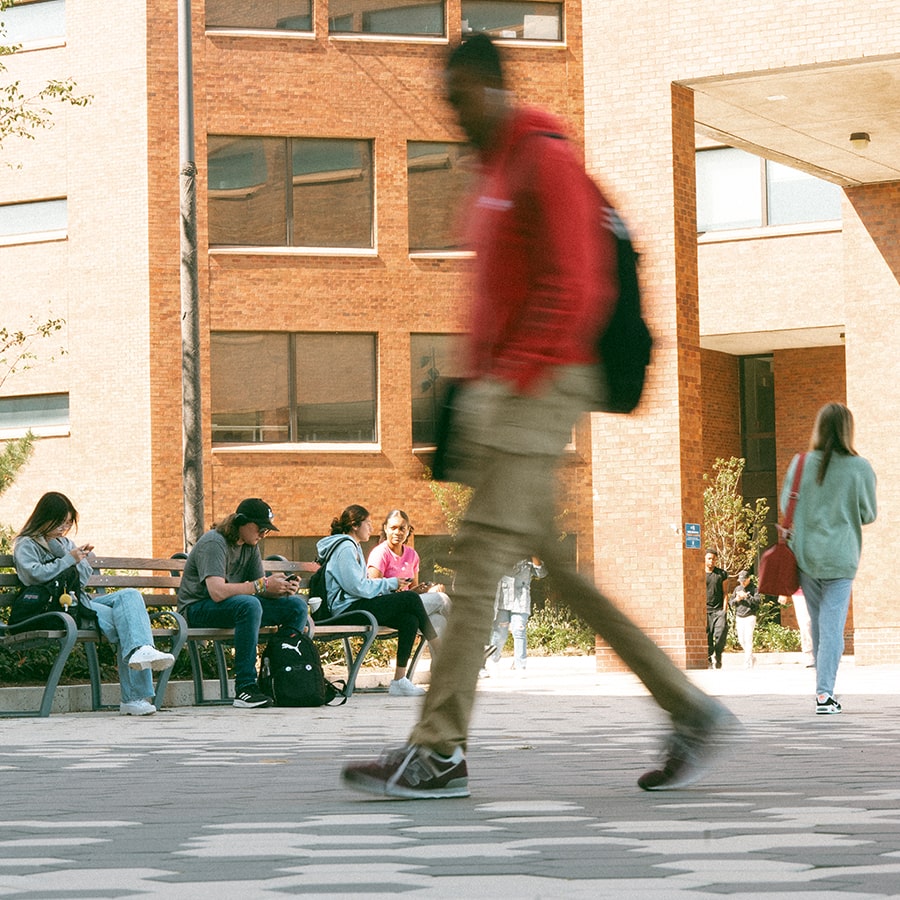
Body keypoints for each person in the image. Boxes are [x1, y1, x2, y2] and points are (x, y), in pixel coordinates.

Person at [340, 34, 734, 800]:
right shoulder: (491, 171)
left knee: (480, 558)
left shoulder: (542, 158)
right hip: (505, 392)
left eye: (459, 98)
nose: (451, 114)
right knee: (554, 567)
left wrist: (511, 383)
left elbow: (577, 288)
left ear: (490, 88)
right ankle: (688, 709)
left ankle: (440, 749)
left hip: (542, 384)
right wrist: (466, 392)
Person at [12, 491, 175, 716]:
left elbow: (81, 581)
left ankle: (143, 650)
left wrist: (80, 560)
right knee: (126, 623)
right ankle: (134, 697)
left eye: (68, 524)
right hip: (55, 608)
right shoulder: (26, 544)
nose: (63, 529)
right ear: (45, 518)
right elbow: (33, 576)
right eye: (60, 523)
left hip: (80, 601)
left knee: (130, 596)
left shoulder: (65, 542)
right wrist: (68, 558)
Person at [780, 402, 876, 715]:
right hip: (841, 558)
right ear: (848, 429)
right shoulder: (859, 467)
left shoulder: (800, 463)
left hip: (806, 557)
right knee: (832, 626)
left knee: (820, 627)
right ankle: (824, 694)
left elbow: (786, 505)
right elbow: (868, 513)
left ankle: (824, 688)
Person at [177, 498, 309, 709]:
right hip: (197, 609)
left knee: (296, 606)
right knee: (249, 604)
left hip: (237, 607)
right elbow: (217, 592)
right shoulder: (214, 543)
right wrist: (261, 585)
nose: (263, 534)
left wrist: (282, 589)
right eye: (260, 528)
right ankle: (245, 688)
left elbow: (261, 590)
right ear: (241, 522)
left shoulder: (250, 547)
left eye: (267, 531)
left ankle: (283, 678)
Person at [319, 504, 440, 697]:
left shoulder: (354, 547)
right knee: (409, 598)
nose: (371, 527)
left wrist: (389, 586)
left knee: (409, 619)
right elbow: (356, 587)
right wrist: (391, 583)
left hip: (355, 605)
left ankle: (399, 681)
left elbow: (359, 586)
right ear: (355, 525)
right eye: (368, 523)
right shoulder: (345, 548)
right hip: (346, 610)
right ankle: (441, 649)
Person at [366, 509, 452, 639]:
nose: (398, 532)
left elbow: (413, 591)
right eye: (393, 528)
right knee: (443, 599)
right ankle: (466, 645)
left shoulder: (412, 555)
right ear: (385, 528)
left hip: (410, 605)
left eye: (402, 528)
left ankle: (444, 659)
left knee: (438, 619)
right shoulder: (380, 553)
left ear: (408, 530)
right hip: (388, 608)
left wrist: (428, 590)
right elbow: (372, 590)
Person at [486, 557, 547, 672]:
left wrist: (535, 557)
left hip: (521, 599)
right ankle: (493, 659)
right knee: (500, 633)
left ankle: (520, 664)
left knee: (519, 631)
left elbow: (542, 573)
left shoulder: (528, 558)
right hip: (502, 599)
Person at [729, 570, 760, 668]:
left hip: (750, 616)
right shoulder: (737, 588)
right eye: (741, 580)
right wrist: (737, 599)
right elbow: (731, 603)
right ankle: (751, 657)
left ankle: (747, 663)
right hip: (739, 616)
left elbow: (757, 602)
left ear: (748, 579)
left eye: (744, 580)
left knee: (748, 639)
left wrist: (747, 596)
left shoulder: (754, 589)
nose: (742, 582)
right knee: (741, 640)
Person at [705, 549, 729, 669]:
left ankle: (718, 655)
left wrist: (724, 610)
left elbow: (725, 593)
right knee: (707, 636)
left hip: (719, 610)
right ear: (705, 559)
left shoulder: (721, 574)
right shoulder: (700, 574)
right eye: (709, 558)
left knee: (720, 633)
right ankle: (709, 659)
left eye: (714, 558)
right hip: (705, 610)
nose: (711, 561)